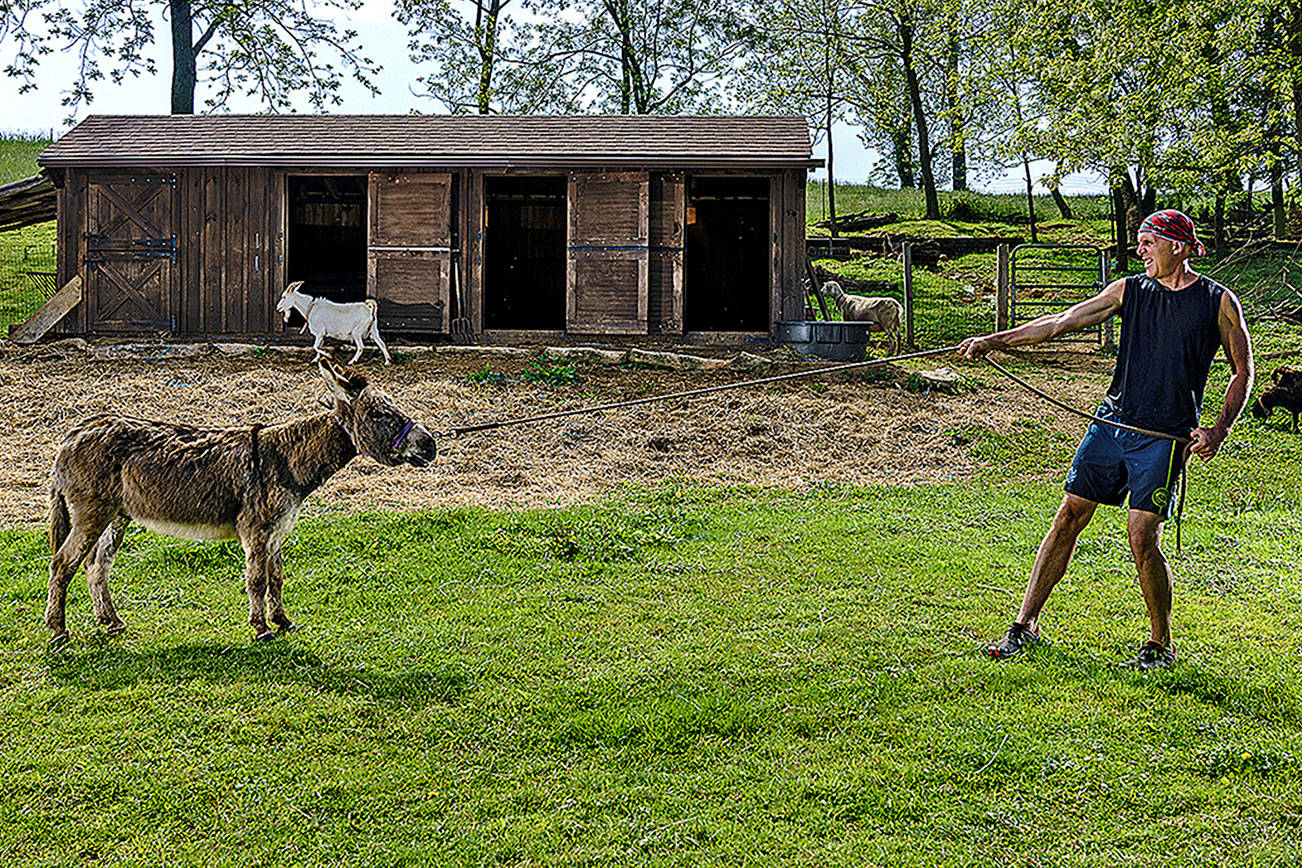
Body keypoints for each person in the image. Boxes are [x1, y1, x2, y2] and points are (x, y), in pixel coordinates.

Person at [958, 210, 1254, 669]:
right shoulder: (1129, 289)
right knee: (1068, 515)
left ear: (1177, 245)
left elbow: (1243, 371)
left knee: (1142, 534)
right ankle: (1024, 626)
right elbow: (1063, 321)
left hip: (1164, 437)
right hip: (1112, 426)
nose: (1139, 250)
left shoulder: (1217, 300)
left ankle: (1160, 644)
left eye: (1148, 241)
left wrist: (1220, 428)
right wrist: (997, 340)